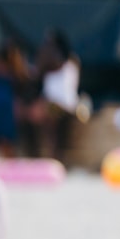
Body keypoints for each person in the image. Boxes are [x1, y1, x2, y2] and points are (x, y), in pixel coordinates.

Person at [35, 28, 80, 162]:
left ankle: (54, 157)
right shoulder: (46, 65)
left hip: (64, 105)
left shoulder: (68, 62)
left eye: (50, 44)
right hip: (51, 105)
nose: (47, 47)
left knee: (49, 114)